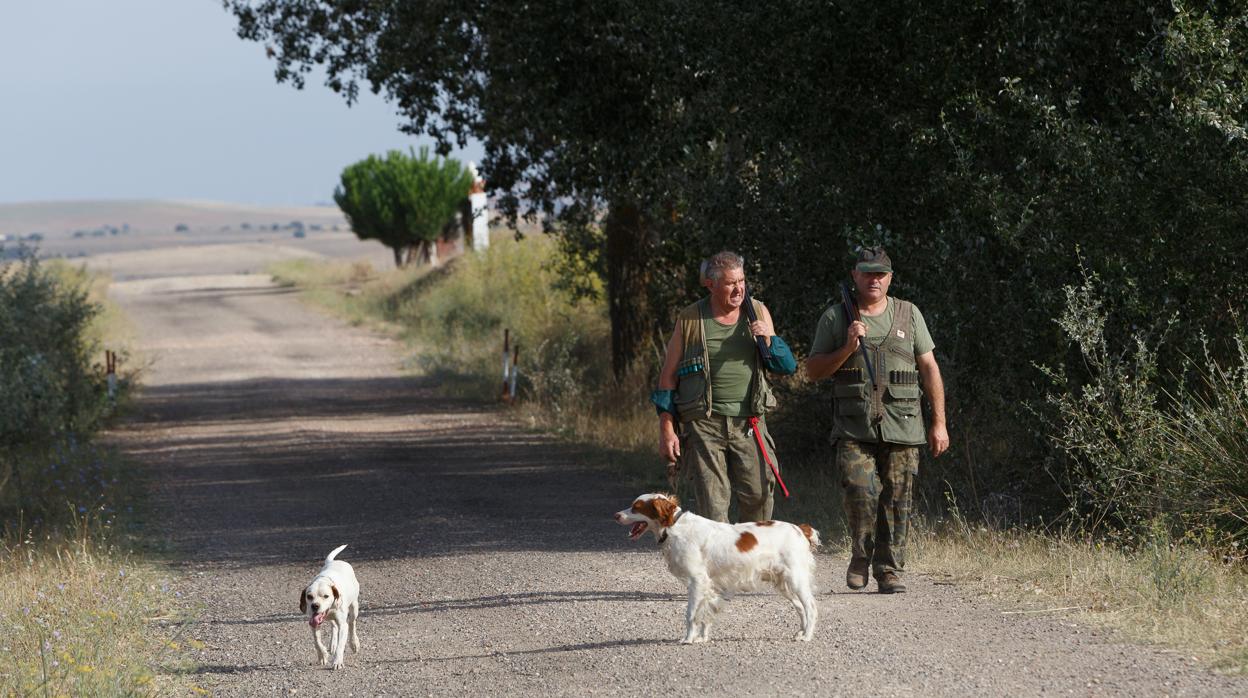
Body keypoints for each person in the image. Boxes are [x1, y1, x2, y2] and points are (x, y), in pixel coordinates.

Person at [806, 246, 949, 594]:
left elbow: (929, 367)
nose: (874, 279)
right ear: (855, 275)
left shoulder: (909, 314)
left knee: (898, 498)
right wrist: (847, 347)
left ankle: (889, 570)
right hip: (854, 427)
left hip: (903, 425)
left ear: (890, 278)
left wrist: (939, 422)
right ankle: (860, 557)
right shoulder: (836, 318)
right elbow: (813, 371)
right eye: (867, 272)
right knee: (860, 491)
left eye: (880, 273)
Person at [650, 251, 797, 523]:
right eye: (730, 283)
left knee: (759, 497)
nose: (739, 288)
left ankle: (752, 562)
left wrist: (768, 338)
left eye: (741, 281)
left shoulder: (758, 311)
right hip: (705, 424)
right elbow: (667, 378)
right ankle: (720, 565)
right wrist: (666, 429)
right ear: (710, 284)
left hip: (750, 423)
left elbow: (787, 367)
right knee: (713, 506)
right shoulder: (691, 319)